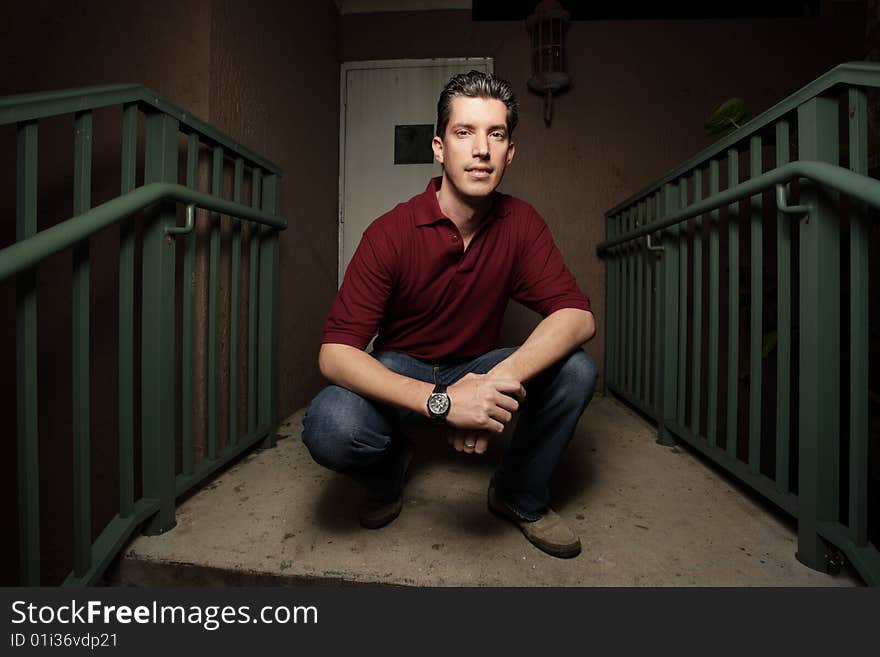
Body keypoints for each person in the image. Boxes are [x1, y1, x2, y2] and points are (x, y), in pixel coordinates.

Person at [302, 70, 597, 559]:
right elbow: (335, 354)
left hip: (477, 364)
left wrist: (490, 385)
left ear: (509, 152)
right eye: (465, 133)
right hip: (403, 366)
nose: (481, 149)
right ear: (439, 148)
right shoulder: (390, 231)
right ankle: (389, 471)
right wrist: (443, 402)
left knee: (576, 369)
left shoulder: (519, 223)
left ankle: (518, 494)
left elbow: (577, 315)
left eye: (495, 134)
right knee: (331, 426)